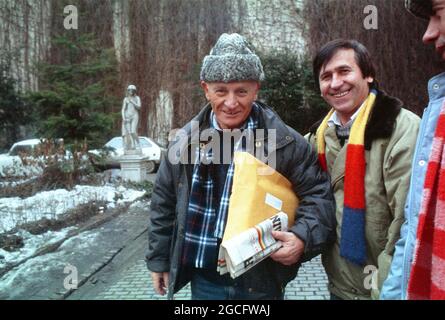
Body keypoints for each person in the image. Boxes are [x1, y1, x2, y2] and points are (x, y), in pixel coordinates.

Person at [145, 33, 336, 300]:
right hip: (204, 280)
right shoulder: (184, 143)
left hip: (262, 280)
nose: (231, 103)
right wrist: (159, 260)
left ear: (256, 89)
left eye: (241, 91)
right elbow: (164, 202)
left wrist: (302, 238)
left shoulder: (284, 142)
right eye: (221, 91)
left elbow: (319, 197)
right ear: (205, 88)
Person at [306, 39, 420, 300]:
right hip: (340, 288)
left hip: (385, 290)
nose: (335, 83)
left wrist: (387, 291)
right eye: (326, 76)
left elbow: (407, 224)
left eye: (344, 71)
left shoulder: (401, 129)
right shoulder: (318, 138)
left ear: (368, 75)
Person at [381, 0, 445, 300]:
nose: (427, 34)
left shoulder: (405, 124)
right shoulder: (320, 134)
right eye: (326, 76)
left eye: (439, 14)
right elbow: (414, 223)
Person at [121, 84, 141, 152]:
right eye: (129, 90)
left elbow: (139, 107)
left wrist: (132, 101)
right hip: (127, 116)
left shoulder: (137, 98)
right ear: (128, 91)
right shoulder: (125, 99)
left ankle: (138, 144)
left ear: (134, 91)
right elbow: (123, 109)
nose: (131, 91)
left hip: (134, 115)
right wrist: (123, 117)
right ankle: (133, 145)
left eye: (132, 90)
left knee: (133, 131)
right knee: (129, 132)